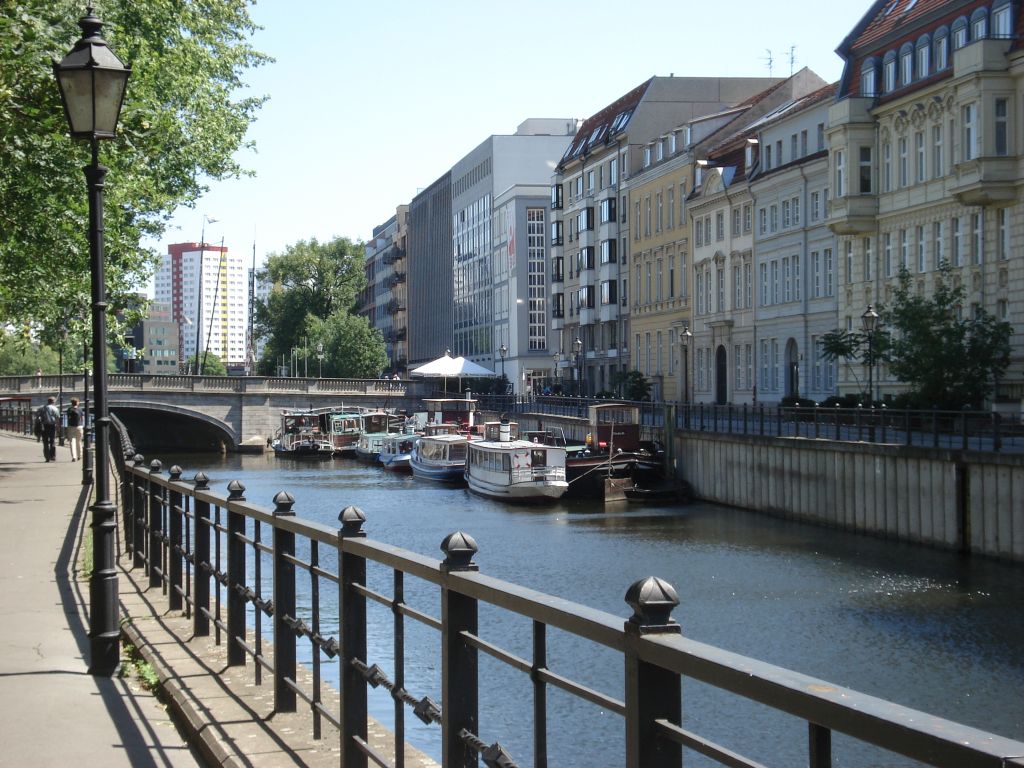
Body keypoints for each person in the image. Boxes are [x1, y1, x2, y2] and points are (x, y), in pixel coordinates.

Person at [37, 396, 60, 462]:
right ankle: (52, 456)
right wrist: (58, 428)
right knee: (52, 441)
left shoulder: (42, 408)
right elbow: (57, 418)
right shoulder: (55, 408)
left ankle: (47, 457)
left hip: (44, 426)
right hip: (52, 426)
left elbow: (38, 417)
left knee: (45, 442)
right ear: (54, 402)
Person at [65, 397, 83, 462]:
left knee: (72, 442)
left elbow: (68, 418)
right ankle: (79, 455)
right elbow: (82, 418)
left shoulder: (69, 409)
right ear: (77, 402)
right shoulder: (80, 409)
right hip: (79, 426)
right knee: (79, 442)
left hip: (71, 427)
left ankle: (74, 457)